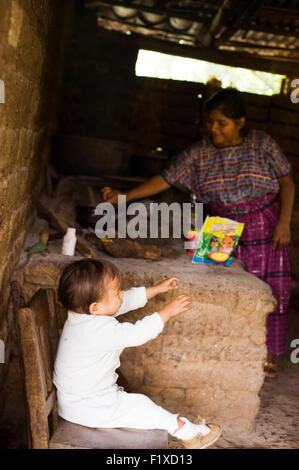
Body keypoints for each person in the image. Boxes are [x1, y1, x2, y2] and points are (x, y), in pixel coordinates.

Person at [102, 88, 295, 379]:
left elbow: (288, 183)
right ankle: (230, 348)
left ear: (240, 122)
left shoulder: (262, 144)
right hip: (222, 224)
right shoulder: (200, 152)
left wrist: (284, 223)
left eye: (221, 123)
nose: (213, 129)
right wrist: (125, 197)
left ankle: (269, 355)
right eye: (210, 122)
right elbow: (165, 179)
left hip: (265, 224)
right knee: (217, 283)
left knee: (271, 289)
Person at [53, 258, 222, 449]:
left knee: (137, 405)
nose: (121, 295)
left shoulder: (82, 316)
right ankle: (189, 433)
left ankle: (187, 430)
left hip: (77, 402)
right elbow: (138, 334)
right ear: (95, 307)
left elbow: (122, 302)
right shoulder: (99, 330)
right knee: (142, 407)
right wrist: (167, 312)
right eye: (116, 292)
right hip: (90, 407)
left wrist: (155, 290)